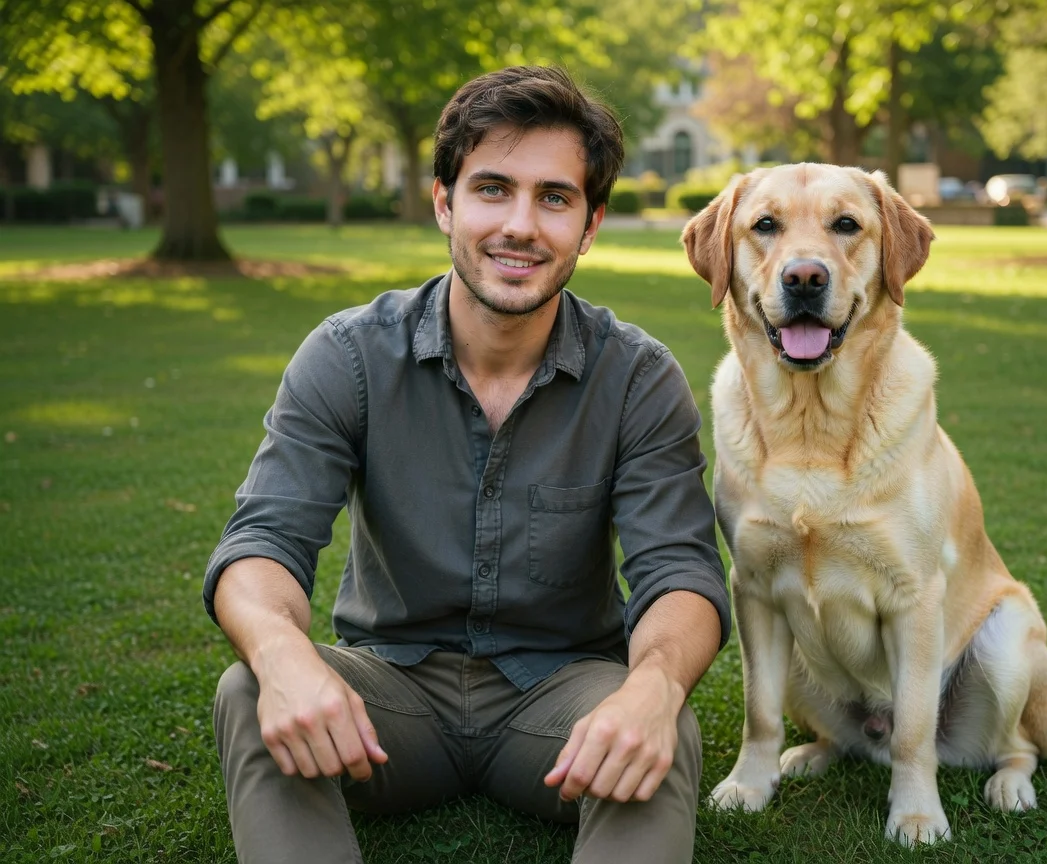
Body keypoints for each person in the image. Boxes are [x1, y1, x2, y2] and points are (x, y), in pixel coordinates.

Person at [204, 65, 730, 863]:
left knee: (659, 724)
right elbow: (262, 543)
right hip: (387, 705)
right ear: (445, 203)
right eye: (493, 189)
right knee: (249, 687)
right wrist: (283, 658)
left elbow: (681, 574)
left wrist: (654, 689)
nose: (520, 224)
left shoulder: (637, 377)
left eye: (554, 197)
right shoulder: (347, 355)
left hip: (561, 707)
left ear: (589, 225)